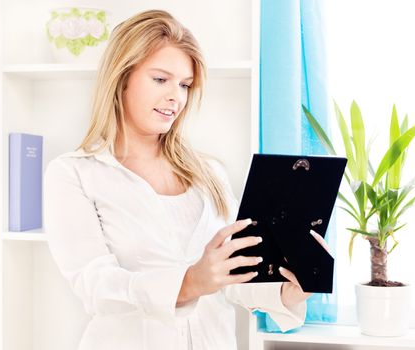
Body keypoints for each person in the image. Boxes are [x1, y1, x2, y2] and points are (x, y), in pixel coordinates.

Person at [44, 9, 329, 350]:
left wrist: (288, 290)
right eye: (160, 79)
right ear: (121, 79)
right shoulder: (74, 173)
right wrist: (188, 283)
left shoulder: (208, 174)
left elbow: (231, 279)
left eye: (185, 85)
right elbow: (96, 286)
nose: (175, 97)